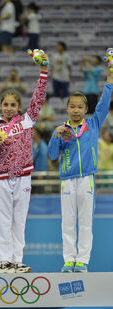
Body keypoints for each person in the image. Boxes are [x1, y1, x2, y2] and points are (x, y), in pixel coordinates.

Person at [0, 52, 49, 273]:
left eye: (13, 104)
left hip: (23, 178)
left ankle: (17, 261)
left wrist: (44, 72)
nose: (9, 108)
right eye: (6, 104)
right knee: (2, 220)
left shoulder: (27, 121)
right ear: (0, 106)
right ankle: (3, 260)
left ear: (19, 107)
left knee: (19, 220)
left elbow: (38, 99)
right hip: (2, 178)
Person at [48, 69, 113, 273]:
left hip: (87, 180)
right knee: (68, 222)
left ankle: (82, 260)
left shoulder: (93, 125)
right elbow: (51, 156)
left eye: (80, 107)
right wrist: (55, 137)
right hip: (67, 180)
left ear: (86, 109)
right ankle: (69, 259)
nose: (76, 110)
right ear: (67, 108)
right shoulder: (61, 130)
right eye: (72, 106)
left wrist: (109, 82)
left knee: (85, 222)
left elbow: (103, 104)